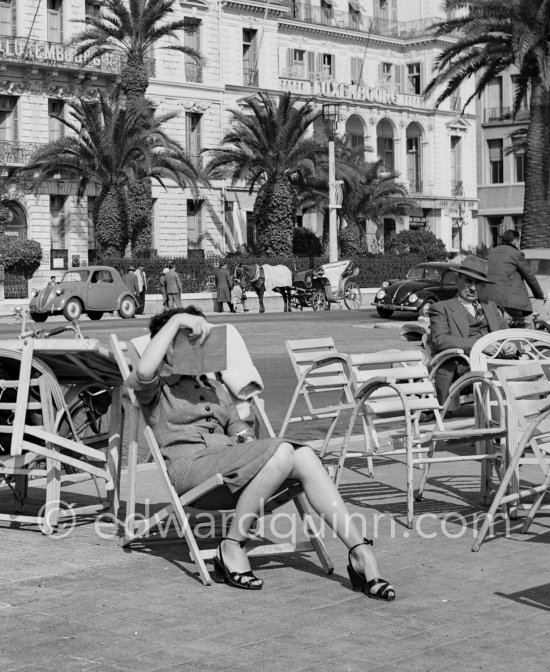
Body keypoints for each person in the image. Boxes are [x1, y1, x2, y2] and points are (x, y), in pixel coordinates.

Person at [125, 306, 395, 599]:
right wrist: (178, 320)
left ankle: (359, 551)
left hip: (234, 473)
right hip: (193, 473)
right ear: (167, 348)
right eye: (188, 340)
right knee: (282, 451)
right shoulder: (156, 387)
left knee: (301, 456)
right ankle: (230, 546)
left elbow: (236, 424)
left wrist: (243, 434)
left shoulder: (214, 385)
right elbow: (143, 369)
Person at [428, 255, 515, 409]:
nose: (473, 288)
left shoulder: (490, 307)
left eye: (478, 283)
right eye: (468, 281)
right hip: (465, 365)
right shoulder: (442, 308)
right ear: (457, 280)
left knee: (538, 365)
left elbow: (508, 334)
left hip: (496, 362)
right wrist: (479, 345)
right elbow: (439, 340)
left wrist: (512, 346)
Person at [479, 229, 545, 326]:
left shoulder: (491, 253)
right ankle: (525, 339)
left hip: (488, 298)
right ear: (515, 241)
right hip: (508, 299)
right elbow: (530, 276)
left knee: (496, 325)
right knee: (527, 323)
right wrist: (539, 294)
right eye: (519, 241)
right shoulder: (516, 254)